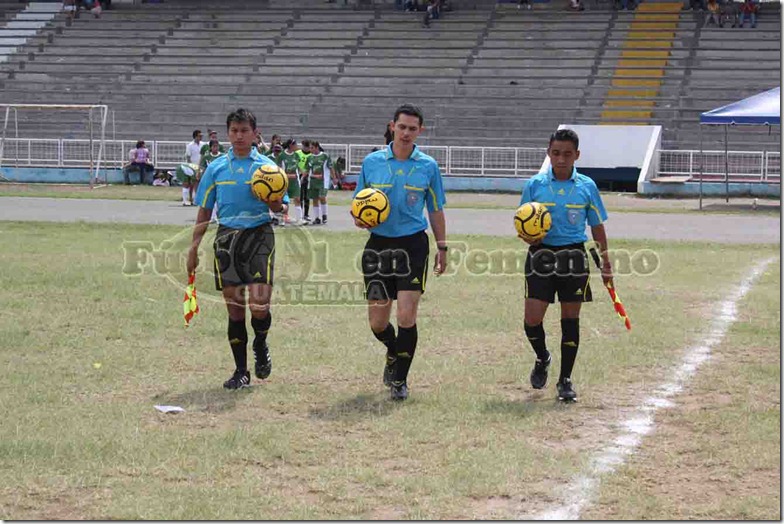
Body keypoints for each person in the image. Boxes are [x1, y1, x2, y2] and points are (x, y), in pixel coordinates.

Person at [187, 108, 288, 390]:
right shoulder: (217, 168)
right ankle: (241, 372)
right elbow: (205, 211)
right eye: (234, 131)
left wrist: (274, 203)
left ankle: (261, 342)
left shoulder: (268, 168)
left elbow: (282, 207)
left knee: (259, 304)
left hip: (259, 234)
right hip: (226, 236)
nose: (239, 136)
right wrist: (193, 249)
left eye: (245, 131)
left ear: (255, 133)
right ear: (228, 133)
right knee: (234, 309)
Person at [352, 104, 448, 401]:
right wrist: (360, 218)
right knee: (378, 323)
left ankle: (400, 380)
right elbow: (358, 206)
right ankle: (394, 352)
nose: (406, 133)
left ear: (420, 131)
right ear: (392, 126)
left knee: (406, 316)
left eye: (412, 128)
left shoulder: (428, 166)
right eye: (402, 127)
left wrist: (442, 246)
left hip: (413, 246)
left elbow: (435, 208)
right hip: (378, 246)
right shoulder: (372, 162)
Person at [518, 128, 613, 403]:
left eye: (567, 154)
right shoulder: (534, 185)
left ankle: (565, 379)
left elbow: (597, 227)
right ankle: (542, 356)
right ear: (549, 153)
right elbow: (523, 222)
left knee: (570, 320)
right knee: (532, 320)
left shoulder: (586, 186)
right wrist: (528, 235)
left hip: (573, 256)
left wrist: (606, 263)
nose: (561, 159)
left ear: (577, 155)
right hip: (540, 255)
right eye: (556, 153)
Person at [278, 138, 303, 225]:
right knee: (284, 200)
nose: (297, 146)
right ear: (291, 145)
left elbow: (297, 167)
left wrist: (301, 172)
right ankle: (283, 219)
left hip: (295, 182)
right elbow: (280, 169)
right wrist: (288, 175)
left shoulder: (296, 155)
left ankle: (300, 219)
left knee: (297, 199)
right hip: (285, 181)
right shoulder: (282, 155)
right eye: (295, 144)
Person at [306, 141, 331, 225]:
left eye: (312, 148)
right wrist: (303, 176)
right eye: (310, 148)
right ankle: (317, 218)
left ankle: (324, 215)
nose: (310, 149)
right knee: (315, 199)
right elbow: (307, 169)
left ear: (317, 147)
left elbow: (331, 167)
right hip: (312, 181)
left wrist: (334, 178)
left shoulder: (325, 156)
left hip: (323, 182)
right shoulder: (309, 157)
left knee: (322, 197)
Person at [185, 129, 204, 204]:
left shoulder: (203, 144)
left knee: (200, 183)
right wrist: (190, 167)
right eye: (199, 136)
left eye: (201, 136)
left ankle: (197, 198)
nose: (201, 137)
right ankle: (191, 198)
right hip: (193, 166)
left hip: (201, 166)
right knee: (193, 183)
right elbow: (188, 157)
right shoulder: (190, 145)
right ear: (195, 137)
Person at [296, 139, 312, 223]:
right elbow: (295, 163)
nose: (308, 148)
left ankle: (306, 214)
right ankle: (301, 214)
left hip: (308, 176)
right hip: (299, 175)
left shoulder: (311, 155)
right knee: (300, 196)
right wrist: (301, 172)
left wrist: (306, 173)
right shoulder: (298, 153)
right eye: (307, 147)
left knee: (307, 196)